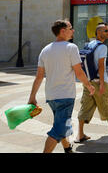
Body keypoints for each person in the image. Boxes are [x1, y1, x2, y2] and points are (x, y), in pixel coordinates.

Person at [27, 19, 95, 153]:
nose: (73, 30)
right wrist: (88, 85)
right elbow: (79, 72)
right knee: (59, 129)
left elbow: (39, 76)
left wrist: (32, 96)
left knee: (61, 124)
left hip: (51, 96)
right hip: (65, 96)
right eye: (70, 28)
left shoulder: (45, 50)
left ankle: (67, 148)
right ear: (62, 31)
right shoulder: (71, 47)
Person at [76, 23, 108, 143]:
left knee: (86, 105)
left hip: (89, 81)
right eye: (105, 31)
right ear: (98, 33)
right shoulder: (102, 47)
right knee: (106, 102)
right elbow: (101, 66)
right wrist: (102, 83)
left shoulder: (89, 44)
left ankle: (80, 133)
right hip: (98, 81)